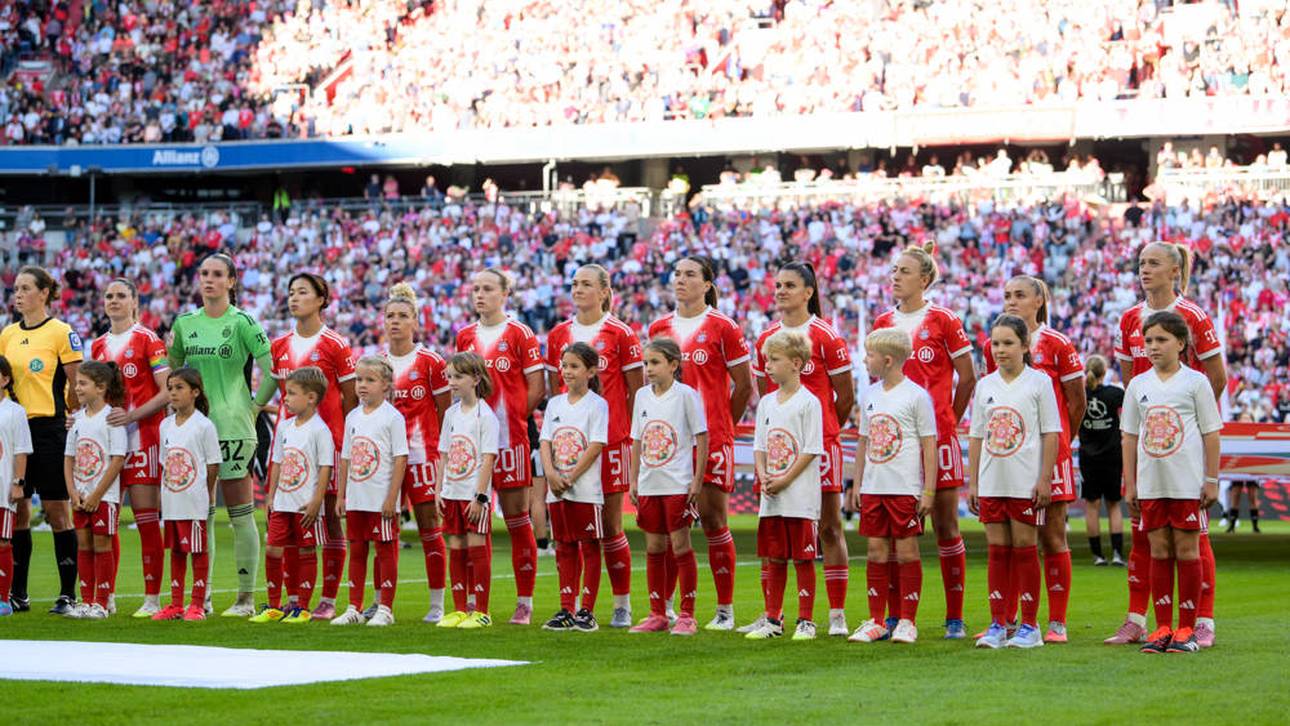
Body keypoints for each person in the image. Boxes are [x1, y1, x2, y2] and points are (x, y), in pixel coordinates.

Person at [1107, 242, 1225, 648]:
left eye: (1154, 263)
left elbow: (1216, 377)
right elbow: (1129, 382)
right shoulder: (1127, 320)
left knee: (1194, 539)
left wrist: (1188, 428)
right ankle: (1139, 619)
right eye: (1141, 263)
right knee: (1148, 538)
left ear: (1175, 270)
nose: (1145, 270)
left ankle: (1201, 620)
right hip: (1148, 443)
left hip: (1182, 448)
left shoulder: (1192, 316)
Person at [871, 243, 976, 639]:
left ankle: (954, 616)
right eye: (894, 270)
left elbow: (967, 378)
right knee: (898, 531)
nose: (895, 276)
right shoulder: (883, 321)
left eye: (904, 271)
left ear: (924, 279)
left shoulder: (944, 320)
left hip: (938, 440)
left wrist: (947, 420)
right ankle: (896, 616)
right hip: (895, 443)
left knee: (947, 526)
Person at [168, 253, 277, 617]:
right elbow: (174, 373)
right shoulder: (185, 324)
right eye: (204, 274)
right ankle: (204, 597)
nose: (209, 280)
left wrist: (254, 405)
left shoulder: (244, 322)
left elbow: (274, 369)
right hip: (194, 429)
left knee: (240, 514)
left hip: (233, 427)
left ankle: (246, 599)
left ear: (232, 281)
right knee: (202, 514)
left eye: (217, 274)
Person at [748, 262, 854, 638]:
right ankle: (772, 613)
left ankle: (836, 613)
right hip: (779, 451)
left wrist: (822, 431)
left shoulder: (826, 336)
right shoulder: (766, 338)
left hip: (819, 447)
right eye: (777, 285)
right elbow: (766, 395)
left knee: (827, 528)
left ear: (808, 292)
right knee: (775, 529)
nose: (780, 291)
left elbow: (845, 397)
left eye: (790, 285)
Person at [648, 256, 752, 631]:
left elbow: (745, 386)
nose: (681, 280)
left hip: (710, 440)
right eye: (676, 274)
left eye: (690, 274)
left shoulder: (723, 327)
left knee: (713, 520)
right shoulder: (660, 327)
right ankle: (667, 609)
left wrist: (721, 425)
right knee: (671, 526)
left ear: (707, 284)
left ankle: (725, 610)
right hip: (670, 445)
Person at [984, 276, 1086, 643]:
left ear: (1039, 301)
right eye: (1007, 295)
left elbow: (1077, 402)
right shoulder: (993, 344)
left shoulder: (1057, 344)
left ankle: (1056, 621)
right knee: (1008, 540)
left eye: (1020, 295)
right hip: (1009, 458)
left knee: (1052, 537)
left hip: (1048, 456)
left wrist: (1058, 448)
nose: (1011, 301)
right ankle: (1006, 619)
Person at [545, 265, 643, 628]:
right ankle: (570, 606)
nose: (578, 289)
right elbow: (557, 389)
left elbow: (636, 391)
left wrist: (633, 439)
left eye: (586, 284)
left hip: (610, 442)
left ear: (604, 291)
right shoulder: (558, 334)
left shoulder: (621, 333)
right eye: (574, 283)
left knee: (611, 527)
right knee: (569, 531)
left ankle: (621, 604)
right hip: (568, 447)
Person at [1122, 311, 1222, 654]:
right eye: (1148, 340)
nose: (1153, 346)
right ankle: (1162, 627)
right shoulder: (1138, 385)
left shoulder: (1195, 382)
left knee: (1187, 550)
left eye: (1161, 340)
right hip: (1151, 484)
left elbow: (1211, 433)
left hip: (1186, 483)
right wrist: (1131, 483)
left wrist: (1211, 480)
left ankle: (1186, 629)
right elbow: (1129, 437)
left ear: (1180, 344)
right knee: (1159, 551)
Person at [456, 269, 543, 625]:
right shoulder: (464, 336)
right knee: (473, 522)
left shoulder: (520, 334)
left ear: (504, 293)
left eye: (488, 288)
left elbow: (536, 388)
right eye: (476, 289)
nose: (480, 294)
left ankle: (524, 602)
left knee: (517, 519)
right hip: (471, 448)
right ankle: (476, 604)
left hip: (509, 442)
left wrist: (509, 424)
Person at [268, 273, 357, 620]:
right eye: (291, 292)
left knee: (330, 522)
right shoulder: (279, 346)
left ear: (321, 299)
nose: (294, 298)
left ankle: (329, 598)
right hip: (289, 447)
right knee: (288, 521)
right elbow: (285, 398)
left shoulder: (335, 344)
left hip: (327, 445)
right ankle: (294, 598)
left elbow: (348, 401)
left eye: (302, 292)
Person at [969, 315, 1061, 649]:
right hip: (992, 482)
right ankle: (998, 624)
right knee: (997, 551)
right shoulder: (985, 386)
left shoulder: (1039, 383)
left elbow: (1052, 433)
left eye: (1008, 343)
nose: (1001, 350)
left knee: (1024, 549)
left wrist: (1044, 478)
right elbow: (977, 436)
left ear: (1025, 346)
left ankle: (1030, 626)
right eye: (995, 343)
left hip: (1024, 483)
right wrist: (974, 482)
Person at [0, 265, 84, 614]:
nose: (17, 294)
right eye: (15, 289)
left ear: (44, 293)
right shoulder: (6, 334)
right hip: (16, 430)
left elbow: (77, 382)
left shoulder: (61, 332)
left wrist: (73, 418)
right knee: (18, 510)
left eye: (24, 288)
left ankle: (67, 594)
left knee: (57, 510)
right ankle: (18, 593)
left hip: (50, 429)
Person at [847, 329, 935, 644]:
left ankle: (908, 621)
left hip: (904, 488)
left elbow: (929, 445)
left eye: (869, 355)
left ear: (887, 360)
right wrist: (857, 485)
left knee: (908, 551)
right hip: (873, 487)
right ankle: (877, 620)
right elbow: (863, 443)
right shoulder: (869, 395)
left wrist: (928, 491)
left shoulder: (916, 396)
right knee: (875, 550)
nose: (864, 360)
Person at [89, 279, 171, 619]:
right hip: (108, 442)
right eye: (109, 296)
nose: (114, 301)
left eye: (121, 296)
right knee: (106, 520)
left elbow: (167, 391)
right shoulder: (97, 346)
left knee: (146, 519)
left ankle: (152, 597)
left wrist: (132, 416)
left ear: (135, 301)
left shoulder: (149, 340)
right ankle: (105, 598)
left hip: (143, 438)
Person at [746, 331, 824, 642]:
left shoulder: (809, 403)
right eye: (767, 360)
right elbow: (759, 445)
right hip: (772, 494)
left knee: (803, 557)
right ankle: (772, 619)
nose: (768, 366)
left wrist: (785, 479)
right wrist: (764, 474)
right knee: (775, 557)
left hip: (799, 495)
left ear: (796, 364)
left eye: (774, 360)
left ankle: (806, 620)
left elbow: (810, 448)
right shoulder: (766, 403)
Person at [627, 338, 707, 636]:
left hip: (677, 483)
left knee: (681, 546)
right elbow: (637, 440)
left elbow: (702, 437)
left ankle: (687, 614)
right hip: (649, 484)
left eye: (655, 362)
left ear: (674, 365)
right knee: (654, 547)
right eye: (646, 363)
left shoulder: (686, 395)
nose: (649, 369)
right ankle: (657, 613)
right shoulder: (641, 397)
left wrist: (697, 480)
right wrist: (633, 479)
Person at [383, 283, 451, 623]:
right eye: (390, 316)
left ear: (415, 322)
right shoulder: (376, 364)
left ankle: (437, 603)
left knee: (429, 528)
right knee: (385, 530)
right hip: (384, 460)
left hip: (423, 456)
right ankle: (384, 605)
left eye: (403, 316)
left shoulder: (431, 362)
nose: (395, 321)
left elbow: (446, 412)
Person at [251, 367, 334, 624]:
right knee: (274, 549)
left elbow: (325, 468)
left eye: (291, 393)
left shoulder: (320, 430)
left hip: (305, 505)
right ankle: (275, 605)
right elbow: (276, 462)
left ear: (311, 397)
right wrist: (270, 496)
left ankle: (303, 607)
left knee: (306, 550)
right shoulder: (285, 427)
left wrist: (317, 501)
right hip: (282, 502)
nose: (285, 398)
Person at [332, 356, 408, 627]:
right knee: (358, 550)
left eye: (370, 380)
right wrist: (341, 495)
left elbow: (400, 458)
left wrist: (392, 497)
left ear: (385, 385)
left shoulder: (392, 418)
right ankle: (354, 606)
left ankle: (385, 607)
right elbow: (346, 459)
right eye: (359, 380)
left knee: (385, 550)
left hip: (381, 500)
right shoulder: (352, 416)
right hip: (357, 498)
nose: (362, 385)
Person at [539, 342, 609, 633]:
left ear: (591, 371)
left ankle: (587, 610)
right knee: (564, 546)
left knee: (590, 546)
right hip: (557, 489)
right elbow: (545, 442)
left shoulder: (597, 404)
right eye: (564, 366)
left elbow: (596, 445)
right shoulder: (555, 403)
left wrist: (570, 476)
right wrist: (551, 474)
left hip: (585, 489)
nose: (567, 371)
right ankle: (566, 607)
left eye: (574, 366)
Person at [435, 352, 500, 630]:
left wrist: (480, 496)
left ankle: (481, 610)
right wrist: (439, 490)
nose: (452, 382)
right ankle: (460, 608)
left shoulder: (486, 416)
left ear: (475, 378)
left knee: (476, 547)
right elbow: (444, 454)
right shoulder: (450, 413)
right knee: (457, 546)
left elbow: (488, 458)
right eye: (449, 376)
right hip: (452, 492)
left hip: (474, 495)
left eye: (458, 377)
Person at [152, 368, 221, 621]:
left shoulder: (204, 426)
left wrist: (207, 491)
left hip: (194, 499)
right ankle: (175, 604)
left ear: (195, 392)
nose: (173, 392)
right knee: (177, 551)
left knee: (197, 550)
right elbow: (165, 462)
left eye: (179, 387)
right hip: (172, 499)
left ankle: (197, 605)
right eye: (170, 387)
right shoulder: (165, 425)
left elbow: (214, 463)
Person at [63, 361, 128, 620]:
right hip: (79, 496)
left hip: (104, 497)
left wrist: (97, 494)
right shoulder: (76, 419)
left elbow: (117, 459)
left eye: (82, 383)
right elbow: (69, 458)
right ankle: (86, 601)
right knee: (84, 545)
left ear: (100, 387)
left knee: (102, 545)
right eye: (76, 382)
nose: (76, 388)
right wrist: (73, 492)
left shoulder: (112, 418)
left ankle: (102, 602)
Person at [1079, 355, 1126, 565]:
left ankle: (1097, 556)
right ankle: (1117, 554)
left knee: (1092, 505)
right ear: (1104, 372)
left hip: (1088, 457)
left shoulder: (1080, 395)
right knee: (1114, 505)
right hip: (1113, 455)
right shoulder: (1115, 394)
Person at [0, 356, 33, 617]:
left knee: (3, 542)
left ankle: (3, 599)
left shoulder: (15, 412)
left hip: (3, 490)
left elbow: (21, 451)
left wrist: (18, 484)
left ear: (5, 379)